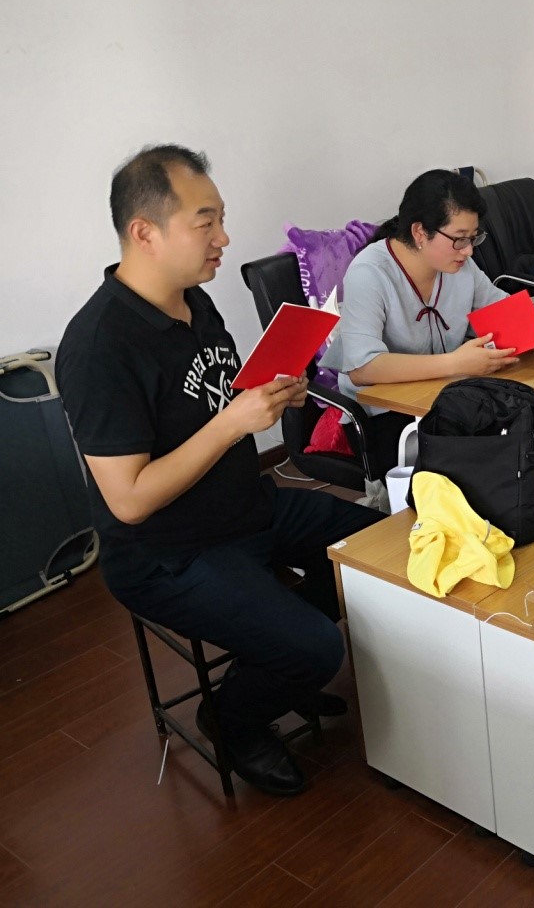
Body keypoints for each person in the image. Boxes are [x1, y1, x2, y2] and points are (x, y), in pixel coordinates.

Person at [57, 145, 384, 796]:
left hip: (244, 507)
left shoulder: (193, 303)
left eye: (221, 219)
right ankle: (234, 717)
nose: (224, 238)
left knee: (375, 550)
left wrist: (269, 397)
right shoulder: (99, 347)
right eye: (205, 222)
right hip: (165, 553)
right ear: (144, 232)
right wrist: (235, 423)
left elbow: (214, 402)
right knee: (319, 646)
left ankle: (280, 663)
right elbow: (129, 501)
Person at [320, 169, 517, 478]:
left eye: (473, 237)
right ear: (420, 233)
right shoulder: (369, 273)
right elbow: (362, 368)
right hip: (385, 416)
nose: (468, 250)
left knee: (521, 427)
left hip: (446, 396)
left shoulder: (459, 265)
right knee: (489, 458)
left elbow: (504, 311)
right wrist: (455, 363)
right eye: (459, 239)